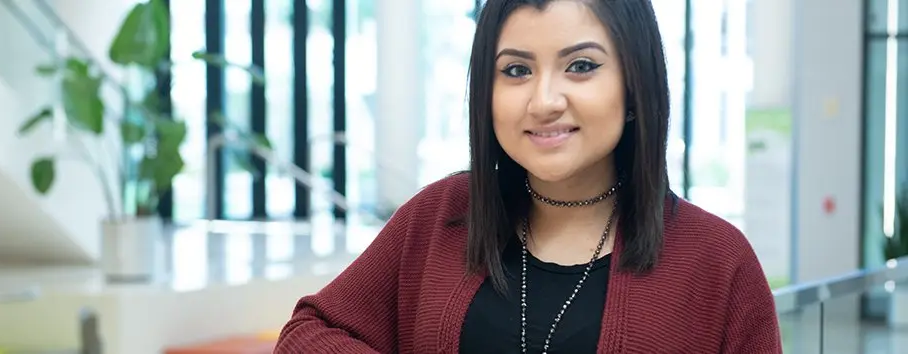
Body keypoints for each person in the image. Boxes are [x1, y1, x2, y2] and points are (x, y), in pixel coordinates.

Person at [276, 0, 782, 353]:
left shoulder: (717, 258)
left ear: (634, 86)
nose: (544, 101)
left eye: (581, 66)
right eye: (516, 71)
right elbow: (307, 333)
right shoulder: (442, 215)